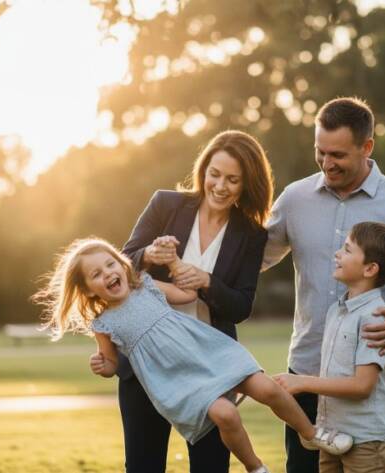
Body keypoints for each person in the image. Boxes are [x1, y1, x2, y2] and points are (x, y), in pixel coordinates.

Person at [35, 238, 354, 473]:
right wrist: (101, 365)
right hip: (178, 379)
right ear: (89, 290)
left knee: (268, 388)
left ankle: (311, 434)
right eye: (95, 274)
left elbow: (187, 294)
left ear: (122, 264)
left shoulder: (145, 285)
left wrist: (175, 264)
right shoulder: (103, 322)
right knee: (226, 415)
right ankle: (255, 467)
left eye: (110, 264)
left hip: (206, 352)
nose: (106, 274)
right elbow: (112, 364)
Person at [263, 97, 385, 473]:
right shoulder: (295, 199)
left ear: (367, 147)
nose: (327, 163)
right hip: (307, 370)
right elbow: (253, 258)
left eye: (338, 155)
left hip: (375, 379)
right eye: (320, 152)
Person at [116, 130, 275, 472]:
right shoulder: (166, 204)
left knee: (211, 467)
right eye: (214, 174)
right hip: (147, 362)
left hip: (209, 367)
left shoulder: (252, 234)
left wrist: (207, 282)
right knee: (143, 466)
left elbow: (241, 306)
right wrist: (148, 255)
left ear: (247, 184)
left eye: (233, 180)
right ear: (203, 170)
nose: (220, 186)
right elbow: (122, 264)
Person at [274, 222, 385, 473]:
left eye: (347, 250)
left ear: (370, 268)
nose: (338, 254)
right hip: (333, 435)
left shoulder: (375, 318)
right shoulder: (337, 311)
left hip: (367, 440)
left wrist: (302, 382)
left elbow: (362, 386)